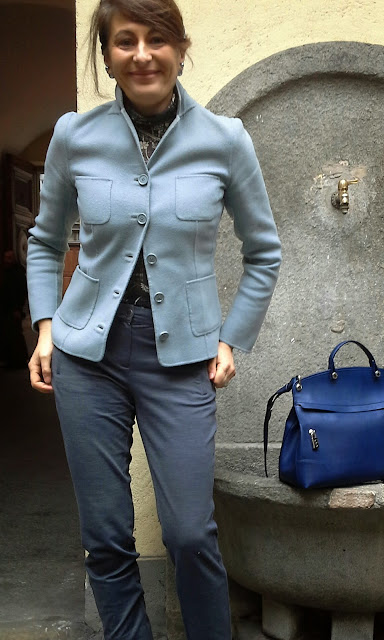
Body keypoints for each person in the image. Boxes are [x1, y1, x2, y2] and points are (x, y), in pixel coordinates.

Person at [26, 0, 281, 638]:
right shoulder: (74, 136)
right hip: (87, 356)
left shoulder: (224, 139)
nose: (142, 54)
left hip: (182, 357)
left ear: (180, 48)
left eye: (157, 39)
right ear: (107, 54)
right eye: (125, 41)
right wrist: (46, 327)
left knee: (190, 532)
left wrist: (231, 338)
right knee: (106, 534)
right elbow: (45, 240)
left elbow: (263, 252)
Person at [0, 249, 28, 368]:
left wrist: (17, 308)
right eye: (6, 258)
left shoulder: (17, 273)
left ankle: (19, 360)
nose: (7, 261)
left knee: (15, 335)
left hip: (14, 309)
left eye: (9, 258)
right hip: (7, 309)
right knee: (9, 334)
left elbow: (20, 292)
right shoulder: (7, 272)